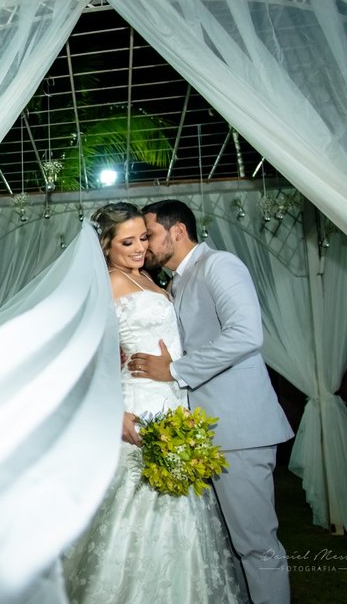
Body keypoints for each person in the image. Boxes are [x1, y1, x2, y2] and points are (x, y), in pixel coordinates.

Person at [58, 202, 245, 604]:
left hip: (174, 403)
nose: (140, 247)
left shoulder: (148, 277)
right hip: (138, 405)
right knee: (139, 511)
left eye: (143, 237)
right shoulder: (108, 284)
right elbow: (84, 355)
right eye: (127, 242)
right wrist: (114, 410)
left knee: (182, 514)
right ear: (105, 246)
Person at [128, 199, 294, 604]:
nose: (145, 245)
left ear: (178, 231)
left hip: (240, 428)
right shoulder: (176, 282)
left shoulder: (219, 265)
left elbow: (246, 334)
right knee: (230, 547)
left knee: (256, 544)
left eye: (150, 234)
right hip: (203, 434)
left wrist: (175, 370)